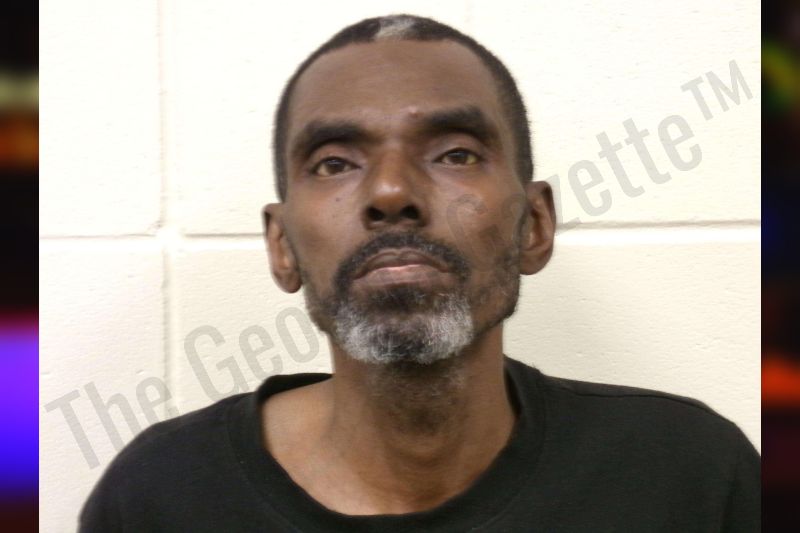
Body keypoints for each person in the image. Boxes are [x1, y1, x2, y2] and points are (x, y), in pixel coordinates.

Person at [80, 14, 760, 532]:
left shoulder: (691, 476)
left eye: (456, 154)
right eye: (334, 163)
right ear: (282, 245)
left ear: (534, 225)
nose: (390, 192)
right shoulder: (159, 498)